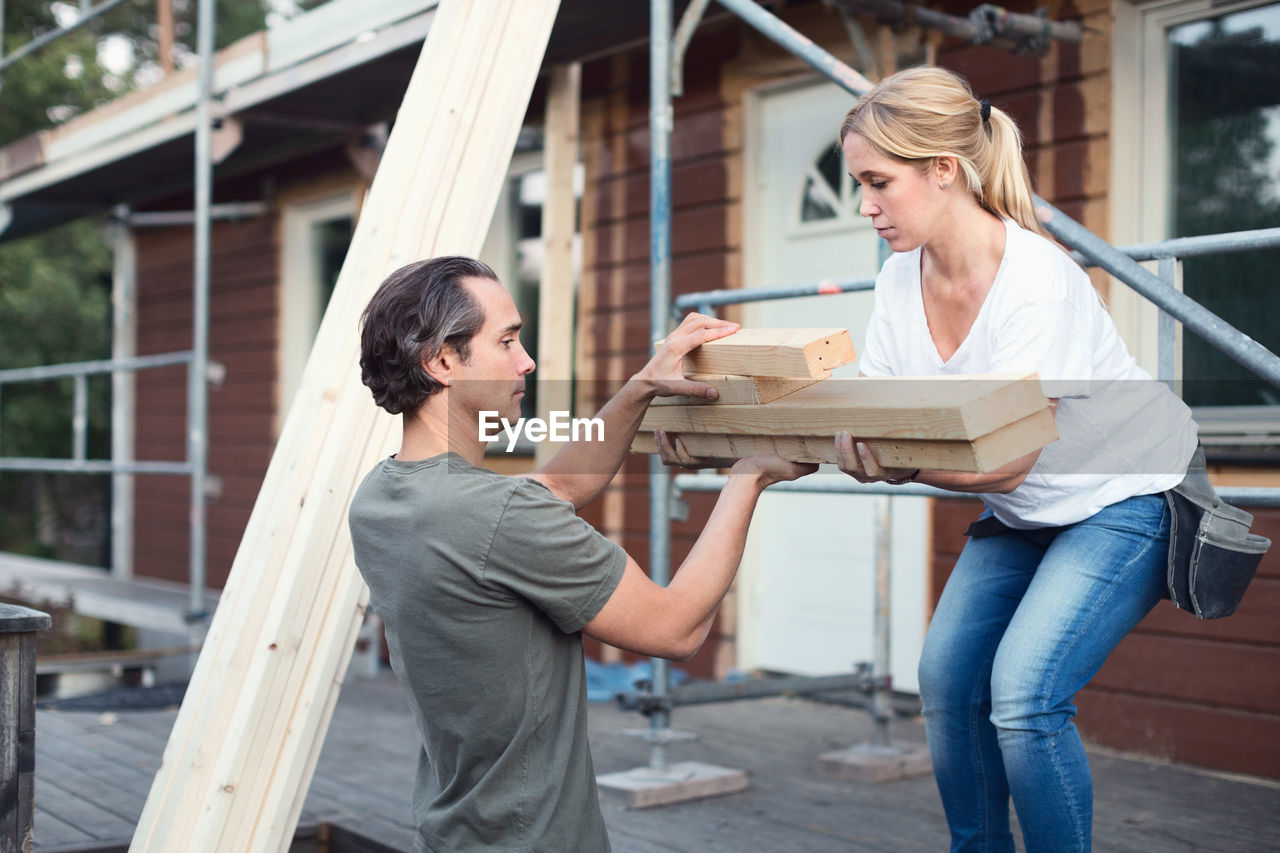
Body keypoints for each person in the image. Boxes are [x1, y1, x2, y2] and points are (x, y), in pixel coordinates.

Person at [834, 67, 1198, 852]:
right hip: (1025, 511)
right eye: (857, 183)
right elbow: (873, 411)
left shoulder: (1037, 279)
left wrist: (888, 460)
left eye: (877, 182)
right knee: (945, 682)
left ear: (943, 169)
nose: (864, 205)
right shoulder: (900, 279)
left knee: (1025, 696)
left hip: (1120, 499)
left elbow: (1005, 462)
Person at [347, 255, 814, 853]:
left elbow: (557, 489)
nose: (527, 361)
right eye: (507, 341)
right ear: (442, 362)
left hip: (455, 833)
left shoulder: (383, 498)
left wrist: (640, 389)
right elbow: (676, 629)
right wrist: (748, 478)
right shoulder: (497, 515)